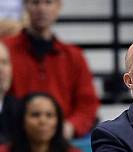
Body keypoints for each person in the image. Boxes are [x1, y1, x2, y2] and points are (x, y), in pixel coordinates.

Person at [3, 0, 99, 138]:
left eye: (48, 2)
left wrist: (71, 127)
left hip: (63, 138)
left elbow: (87, 103)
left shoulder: (74, 56)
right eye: (35, 3)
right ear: (25, 6)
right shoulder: (5, 51)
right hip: (14, 138)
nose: (41, 8)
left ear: (58, 7)